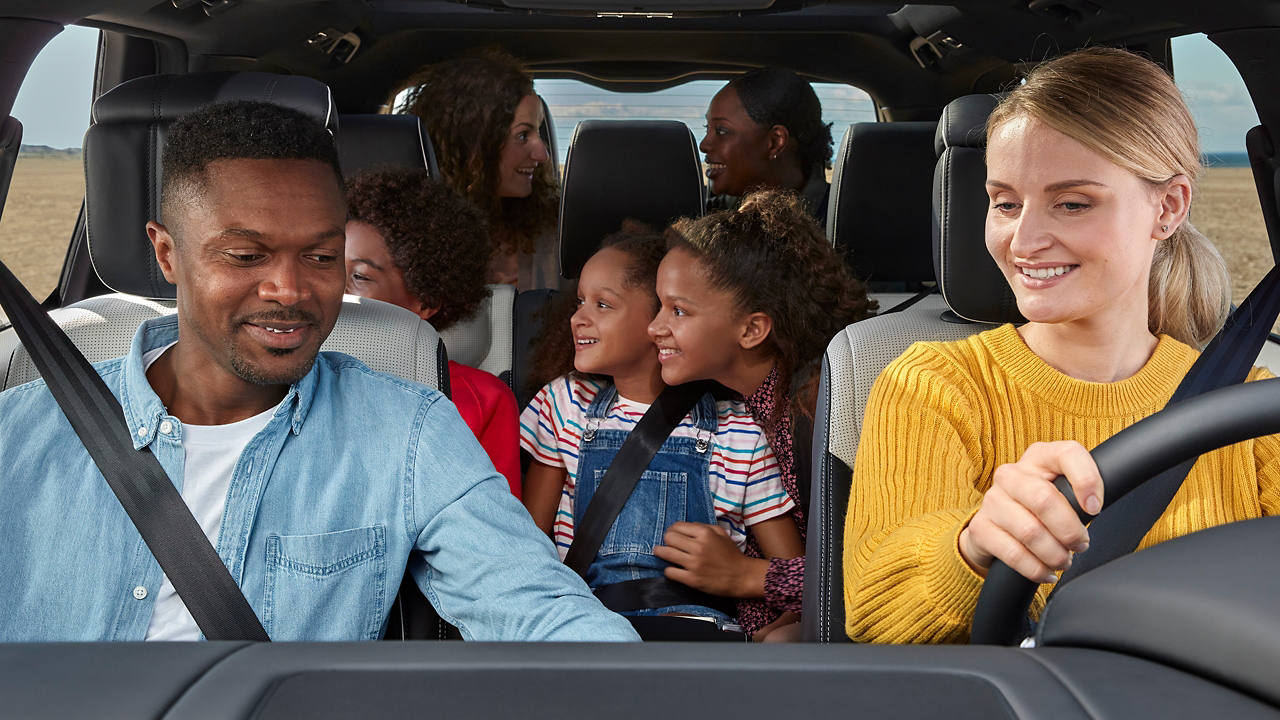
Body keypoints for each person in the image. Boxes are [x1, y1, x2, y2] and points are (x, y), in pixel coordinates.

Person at [0, 100, 638, 642]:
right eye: (246, 255)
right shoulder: (19, 434)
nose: (289, 289)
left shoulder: (407, 434)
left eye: (322, 255)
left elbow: (538, 606)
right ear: (167, 253)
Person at [842, 47, 1280, 645]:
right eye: (1004, 203)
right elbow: (874, 617)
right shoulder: (933, 385)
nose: (1023, 240)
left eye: (1072, 203)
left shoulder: (1250, 408)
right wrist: (972, 546)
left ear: (1169, 206)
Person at [520, 231, 803, 634]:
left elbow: (792, 576)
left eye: (603, 305)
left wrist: (777, 632)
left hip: (693, 631)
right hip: (585, 625)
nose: (578, 317)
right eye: (579, 302)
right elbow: (528, 546)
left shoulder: (739, 432)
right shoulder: (564, 403)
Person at [647, 190, 876, 640]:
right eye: (659, 305)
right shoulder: (728, 405)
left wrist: (747, 576)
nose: (655, 327)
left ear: (752, 330)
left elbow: (872, 567)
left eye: (678, 310)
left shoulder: (815, 412)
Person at [344, 167, 521, 497]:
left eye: (361, 277)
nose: (330, 290)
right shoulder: (283, 382)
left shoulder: (483, 400)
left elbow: (494, 529)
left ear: (424, 302)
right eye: (323, 263)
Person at [400, 49, 559, 289]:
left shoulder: (554, 231)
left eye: (538, 131)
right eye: (523, 135)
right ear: (474, 144)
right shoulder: (406, 238)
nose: (542, 154)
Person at [700, 68, 833, 224]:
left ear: (775, 142)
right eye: (706, 128)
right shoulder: (708, 215)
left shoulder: (845, 223)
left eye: (721, 131)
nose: (703, 145)